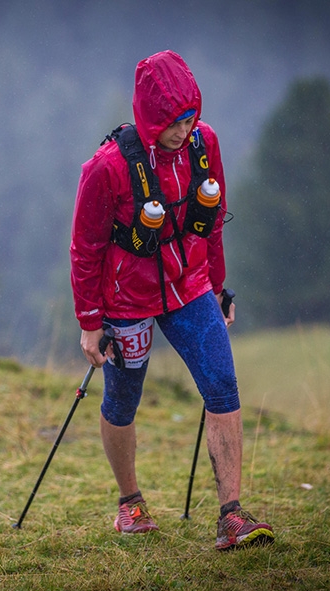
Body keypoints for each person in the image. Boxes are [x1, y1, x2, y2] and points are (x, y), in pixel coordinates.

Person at [69, 50, 273, 550]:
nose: (184, 130)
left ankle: (231, 517)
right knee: (122, 400)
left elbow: (214, 221)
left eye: (190, 118)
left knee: (223, 386)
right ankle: (130, 505)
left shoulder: (206, 146)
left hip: (191, 289)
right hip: (125, 300)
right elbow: (86, 246)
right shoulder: (107, 168)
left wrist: (220, 288)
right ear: (149, 117)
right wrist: (90, 321)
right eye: (173, 122)